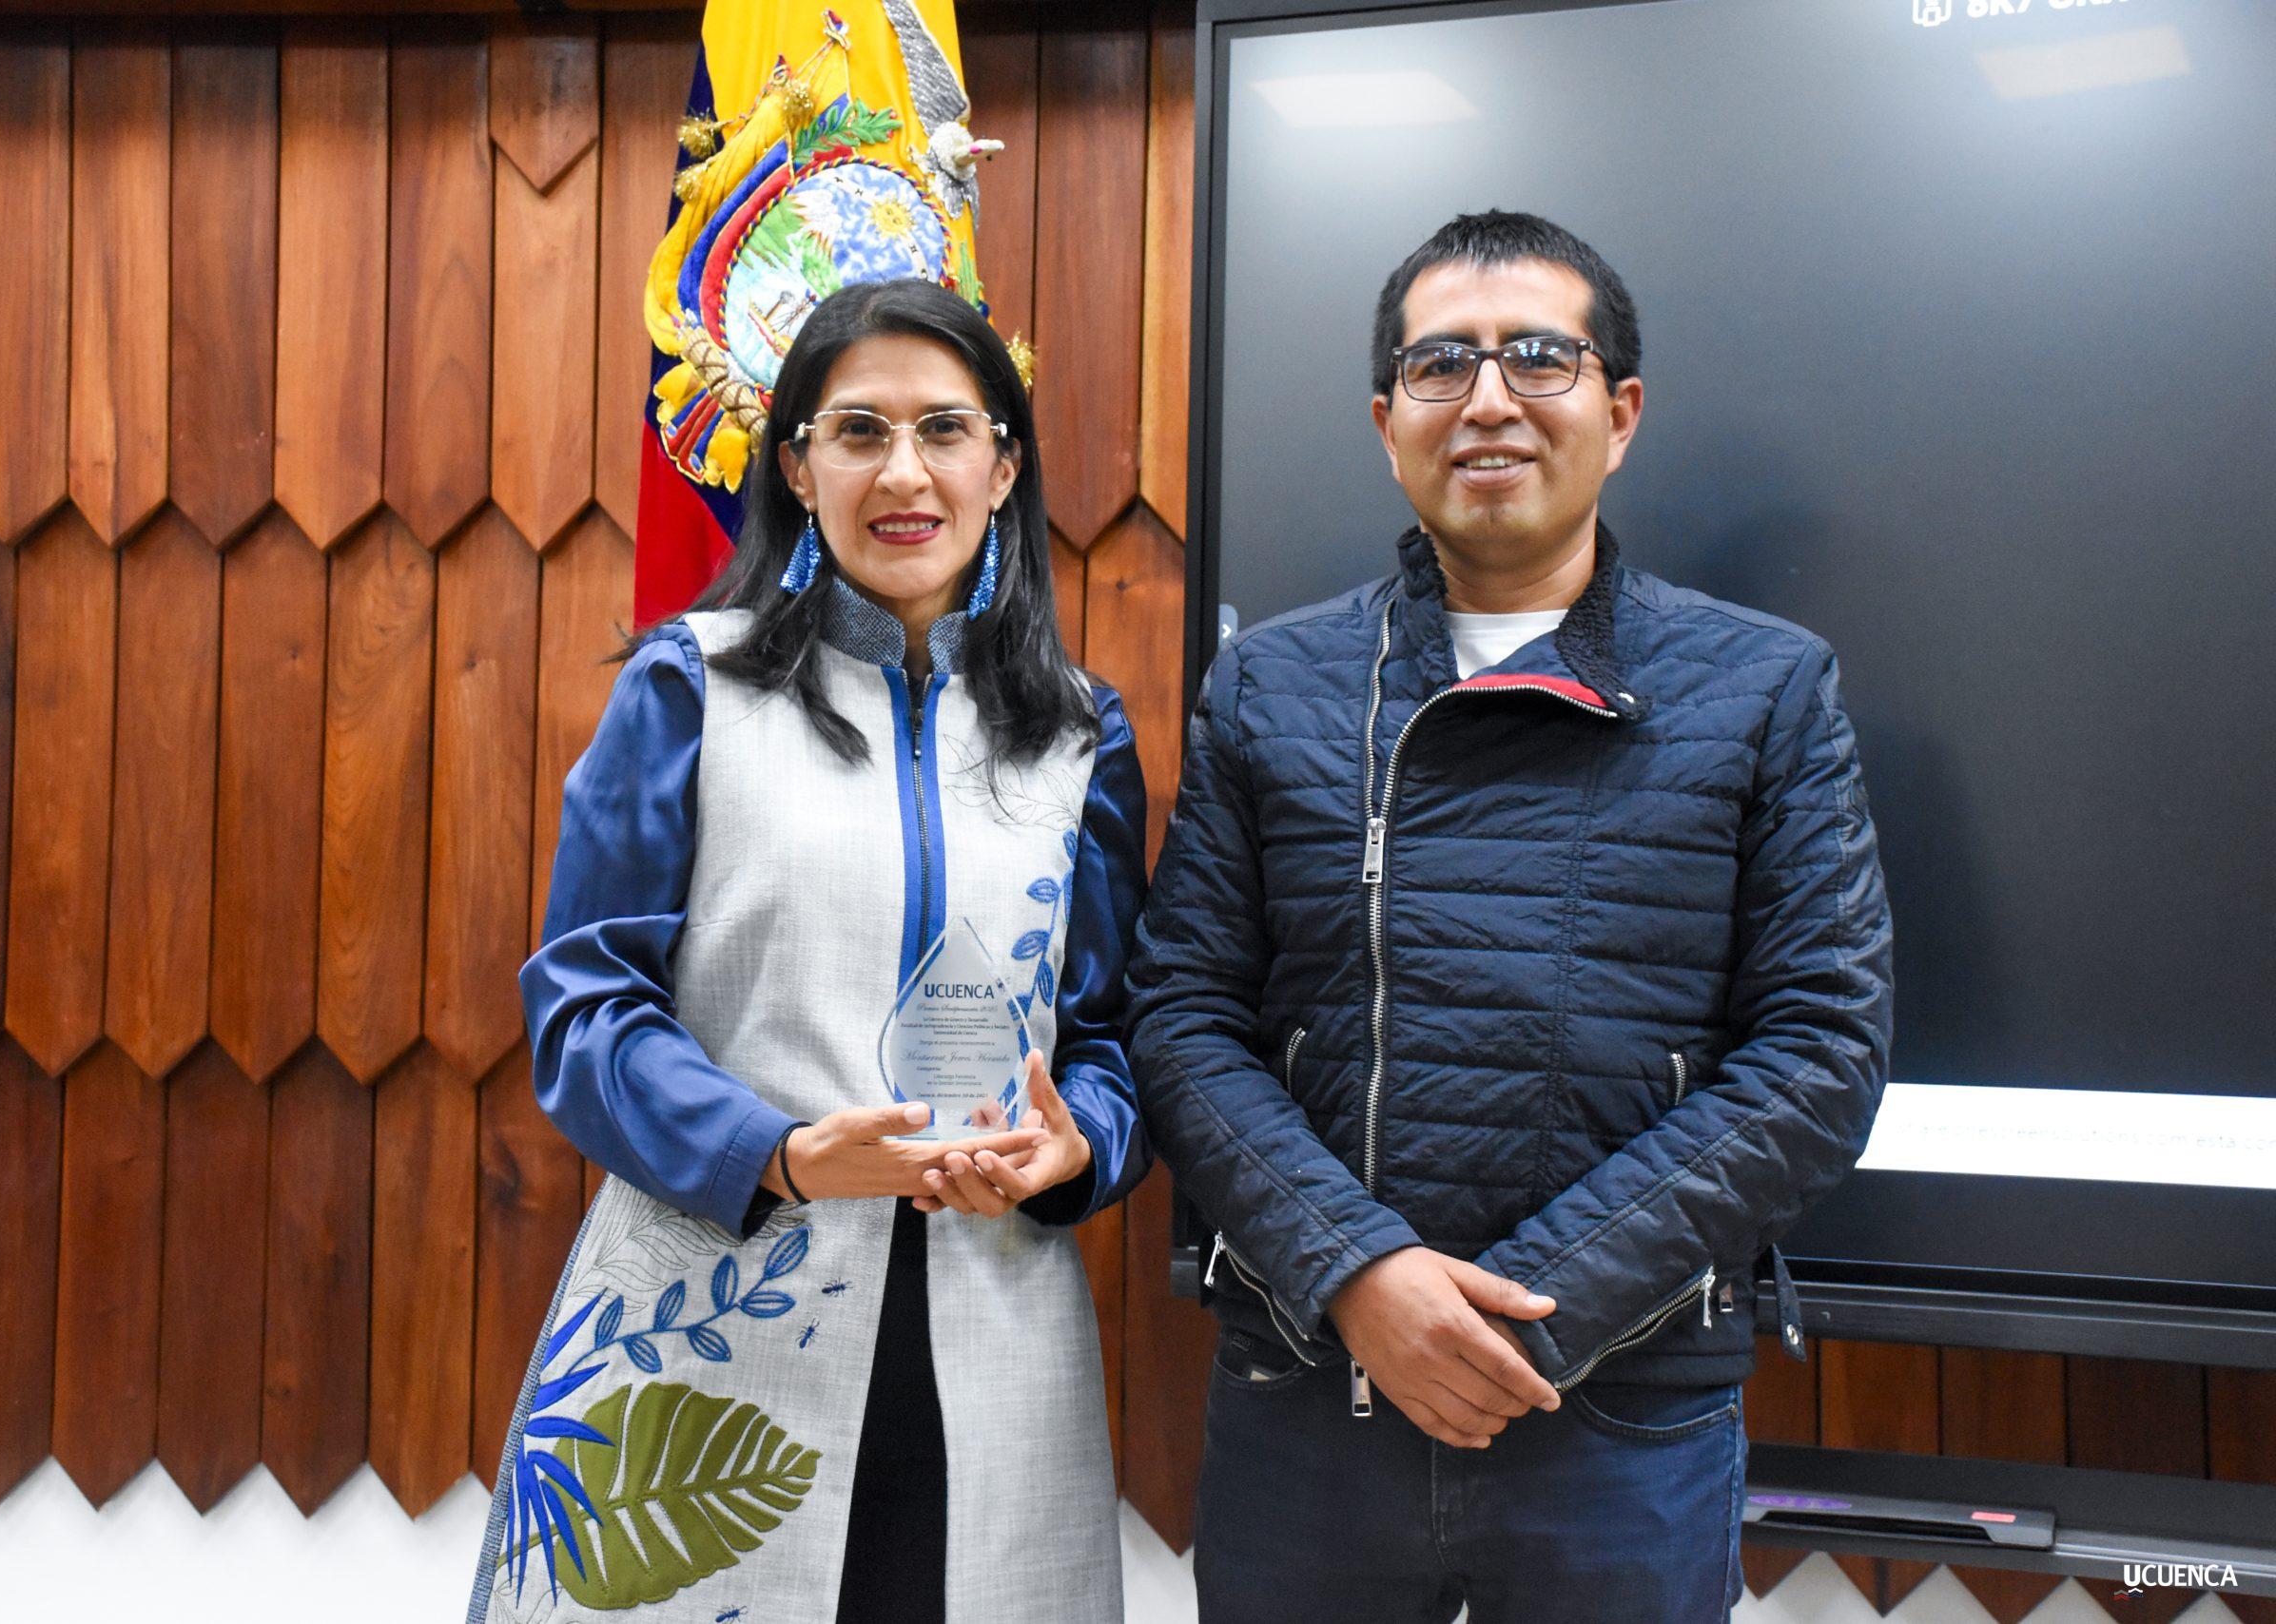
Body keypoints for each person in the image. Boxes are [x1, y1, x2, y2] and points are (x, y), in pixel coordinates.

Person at [1127, 210, 1894, 1621]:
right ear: (1388, 423)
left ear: (1622, 411)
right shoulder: (1272, 684)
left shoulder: (1767, 685)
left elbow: (1820, 1056)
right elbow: (1181, 1019)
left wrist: (1528, 1307)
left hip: (1624, 1413)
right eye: (1441, 364)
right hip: (1309, 1396)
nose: (1488, 399)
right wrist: (1361, 1274)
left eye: (1539, 357)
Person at [469, 278, 1148, 1624]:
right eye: (859, 431)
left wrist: (1078, 1152)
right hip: (708, 1322)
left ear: (1005, 467)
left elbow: (1114, 1034)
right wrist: (774, 1151)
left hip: (993, 1336)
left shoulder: (1080, 735)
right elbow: (586, 1007)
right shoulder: (691, 686)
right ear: (796, 466)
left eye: (946, 429)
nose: (905, 473)